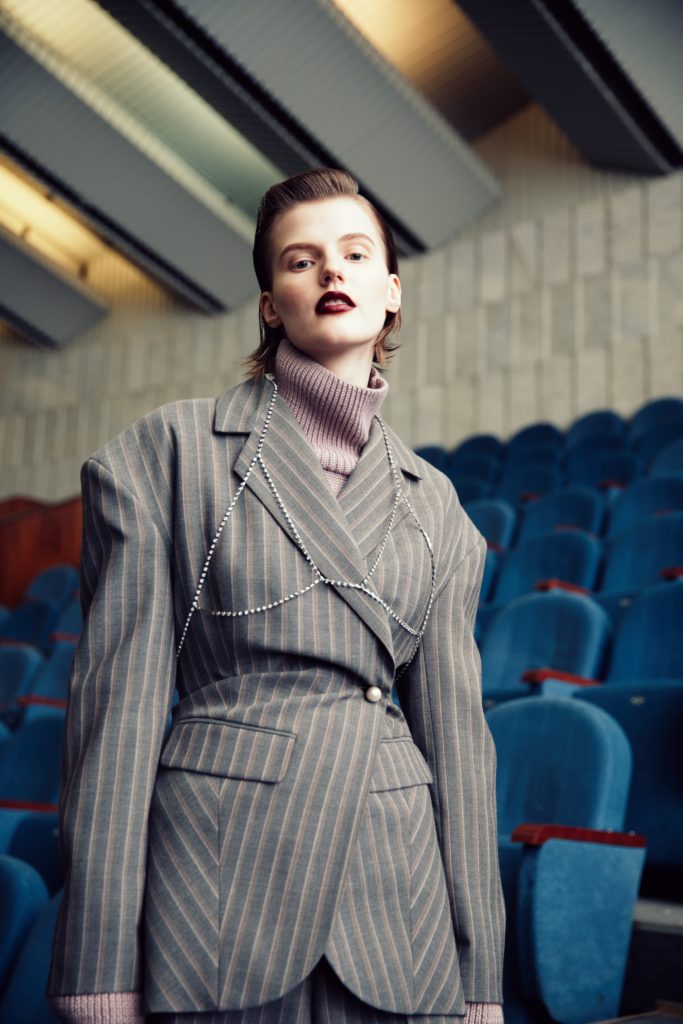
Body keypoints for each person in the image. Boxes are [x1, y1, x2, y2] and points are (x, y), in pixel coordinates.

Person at [47, 168, 505, 1024]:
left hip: (397, 897)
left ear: (391, 292)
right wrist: (95, 961)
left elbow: (458, 749)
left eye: (355, 254)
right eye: (301, 260)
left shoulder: (438, 505)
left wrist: (479, 977)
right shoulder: (164, 452)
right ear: (270, 305)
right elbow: (117, 716)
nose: (331, 271)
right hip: (220, 885)